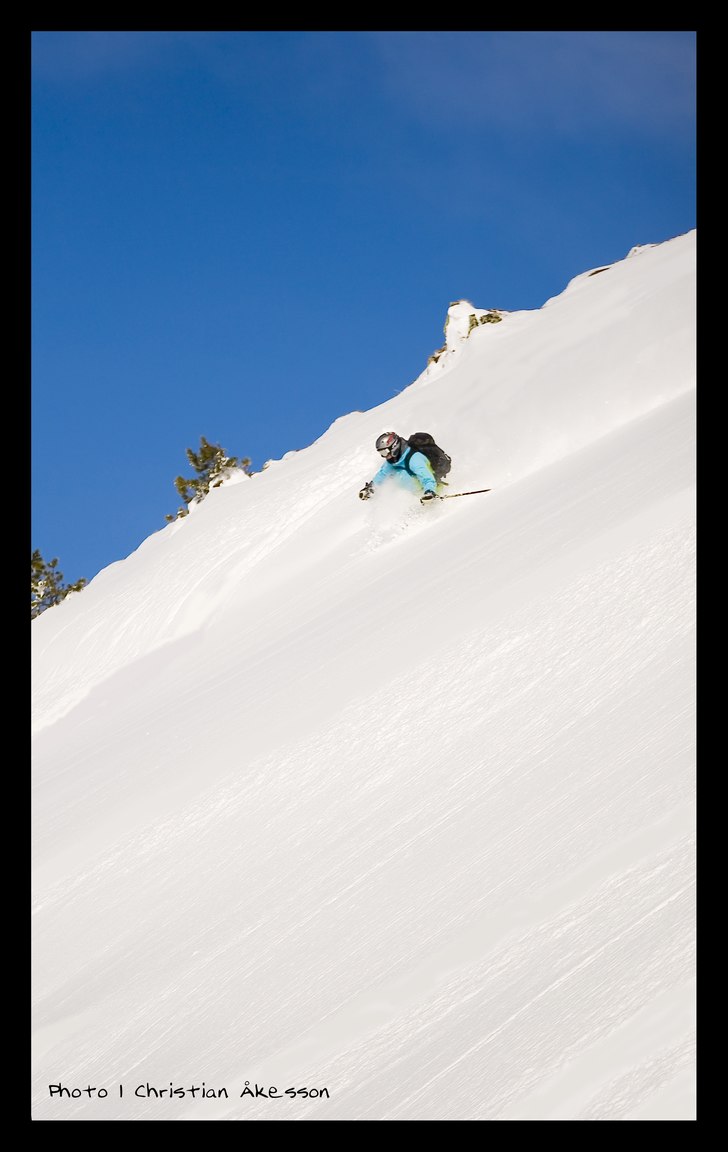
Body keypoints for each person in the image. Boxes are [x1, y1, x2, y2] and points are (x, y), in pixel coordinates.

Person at [359, 432, 440, 504]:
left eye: (384, 452)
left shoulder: (414, 459)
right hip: (413, 498)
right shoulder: (393, 460)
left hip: (429, 493)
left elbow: (427, 478)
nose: (384, 456)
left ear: (394, 447)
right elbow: (382, 474)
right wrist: (370, 488)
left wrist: (429, 492)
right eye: (381, 453)